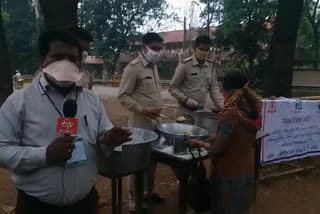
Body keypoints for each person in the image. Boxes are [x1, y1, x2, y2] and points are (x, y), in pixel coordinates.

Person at [0, 30, 131, 214]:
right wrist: (45, 154)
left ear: (79, 63)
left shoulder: (92, 100)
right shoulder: (19, 102)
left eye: (71, 58)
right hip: (36, 206)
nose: (65, 63)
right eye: (57, 57)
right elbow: (2, 150)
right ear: (43, 61)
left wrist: (108, 141)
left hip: (85, 204)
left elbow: (103, 136)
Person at [189, 70, 261, 214]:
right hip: (246, 173)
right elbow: (237, 138)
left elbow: (218, 149)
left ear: (226, 91)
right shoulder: (251, 110)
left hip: (228, 176)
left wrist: (200, 144)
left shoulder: (230, 114)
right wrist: (212, 136)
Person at [118, 32, 165, 213]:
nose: (157, 52)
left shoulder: (153, 66)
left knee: (152, 160)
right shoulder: (133, 68)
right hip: (140, 122)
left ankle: (148, 192)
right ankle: (133, 200)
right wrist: (142, 109)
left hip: (155, 121)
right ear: (143, 47)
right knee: (136, 160)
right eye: (154, 48)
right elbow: (123, 97)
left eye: (160, 49)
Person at [169, 35, 224, 124]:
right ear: (195, 48)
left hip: (201, 113)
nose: (204, 52)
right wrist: (186, 100)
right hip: (185, 112)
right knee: (186, 136)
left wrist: (222, 106)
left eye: (206, 50)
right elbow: (172, 88)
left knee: (199, 136)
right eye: (201, 49)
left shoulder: (210, 66)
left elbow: (214, 89)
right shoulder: (185, 65)